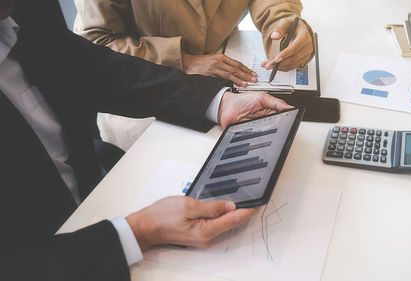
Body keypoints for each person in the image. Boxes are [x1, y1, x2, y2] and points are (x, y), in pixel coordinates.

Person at [0, 0, 292, 280]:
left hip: (91, 200)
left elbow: (86, 63)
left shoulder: (22, 9)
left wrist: (215, 101)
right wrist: (140, 231)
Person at [74, 0, 316, 150]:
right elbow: (96, 42)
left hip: (224, 74)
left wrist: (283, 24)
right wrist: (183, 60)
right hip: (141, 89)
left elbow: (273, 4)